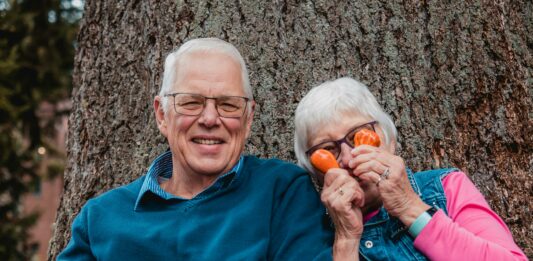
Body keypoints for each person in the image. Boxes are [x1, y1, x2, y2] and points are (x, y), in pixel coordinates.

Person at [58, 38, 334, 260]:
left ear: (248, 119)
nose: (210, 119)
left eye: (228, 104)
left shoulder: (282, 191)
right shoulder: (101, 218)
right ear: (162, 115)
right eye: (191, 102)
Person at [293, 77, 527, 260]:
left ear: (390, 141)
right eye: (327, 150)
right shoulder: (313, 232)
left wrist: (410, 208)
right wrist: (346, 241)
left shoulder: (445, 187)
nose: (348, 158)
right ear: (316, 174)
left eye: (358, 136)